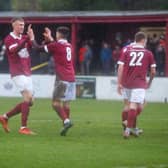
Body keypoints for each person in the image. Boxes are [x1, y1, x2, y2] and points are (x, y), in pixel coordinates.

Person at [27, 26, 75, 136]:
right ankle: (65, 125)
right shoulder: (68, 45)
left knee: (55, 103)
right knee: (66, 104)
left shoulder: (56, 45)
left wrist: (32, 38)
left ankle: (66, 122)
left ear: (58, 34)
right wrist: (50, 38)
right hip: (72, 78)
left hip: (62, 78)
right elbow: (56, 47)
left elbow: (38, 48)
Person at [117, 32, 156, 138]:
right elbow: (153, 72)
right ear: (143, 40)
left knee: (127, 106)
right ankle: (128, 128)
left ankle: (130, 126)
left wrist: (119, 83)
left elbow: (120, 68)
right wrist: (149, 82)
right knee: (138, 105)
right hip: (139, 83)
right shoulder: (148, 53)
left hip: (127, 82)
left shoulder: (126, 50)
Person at [0, 17, 35, 135]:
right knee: (27, 98)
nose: (22, 27)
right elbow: (14, 50)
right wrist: (26, 40)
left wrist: (37, 39)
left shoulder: (24, 37)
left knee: (30, 101)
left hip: (27, 72)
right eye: (20, 25)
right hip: (17, 72)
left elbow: (34, 47)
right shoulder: (9, 39)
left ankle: (5, 117)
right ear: (13, 26)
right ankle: (23, 128)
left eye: (23, 25)